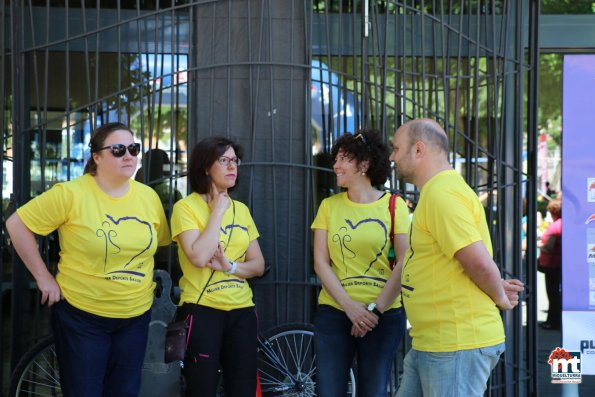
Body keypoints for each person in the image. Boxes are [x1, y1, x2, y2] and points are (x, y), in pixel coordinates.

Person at [6, 122, 172, 397]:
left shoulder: (149, 197)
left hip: (135, 315)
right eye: (118, 150)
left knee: (125, 392)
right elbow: (17, 224)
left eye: (133, 148)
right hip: (83, 316)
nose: (129, 155)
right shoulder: (71, 193)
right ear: (97, 157)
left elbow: (160, 243)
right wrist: (44, 277)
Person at [389, 119, 524, 397]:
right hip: (435, 342)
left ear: (418, 149)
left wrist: (499, 296)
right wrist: (496, 286)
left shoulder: (442, 193)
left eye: (395, 148)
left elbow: (477, 262)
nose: (391, 156)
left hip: (454, 345)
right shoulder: (439, 191)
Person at [311, 129, 410, 397]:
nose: (335, 166)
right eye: (335, 159)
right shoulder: (328, 206)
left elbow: (404, 262)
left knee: (374, 391)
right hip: (334, 313)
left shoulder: (395, 205)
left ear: (364, 164)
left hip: (384, 316)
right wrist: (350, 308)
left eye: (343, 159)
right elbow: (321, 263)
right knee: (328, 391)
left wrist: (373, 312)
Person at [170, 136, 265, 397]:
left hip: (242, 311)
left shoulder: (242, 210)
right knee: (201, 388)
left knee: (243, 389)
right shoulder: (185, 208)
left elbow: (257, 265)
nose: (232, 166)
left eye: (235, 160)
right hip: (202, 310)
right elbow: (199, 258)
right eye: (223, 160)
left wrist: (230, 266)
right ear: (204, 167)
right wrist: (217, 213)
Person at [537, 198, 562, 330]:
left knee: (552, 294)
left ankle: (552, 321)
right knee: (556, 294)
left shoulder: (555, 226)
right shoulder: (562, 224)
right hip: (557, 265)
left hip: (551, 265)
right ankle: (554, 320)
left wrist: (537, 244)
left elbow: (549, 247)